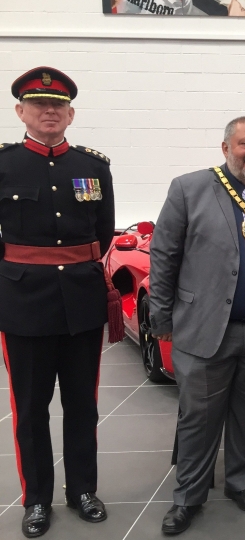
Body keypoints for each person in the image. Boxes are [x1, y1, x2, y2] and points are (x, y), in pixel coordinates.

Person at [149, 116, 245, 534]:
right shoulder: (189, 188)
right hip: (204, 328)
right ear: (225, 148)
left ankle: (240, 480)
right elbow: (163, 256)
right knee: (198, 416)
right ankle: (188, 497)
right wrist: (160, 317)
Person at [0, 67, 115, 538]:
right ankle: (38, 500)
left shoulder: (93, 166)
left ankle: (83, 490)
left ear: (70, 113)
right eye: (38, 104)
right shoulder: (4, 165)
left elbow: (103, 232)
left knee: (82, 405)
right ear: (20, 111)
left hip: (82, 302)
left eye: (57, 105)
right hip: (23, 301)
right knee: (30, 408)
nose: (49, 111)